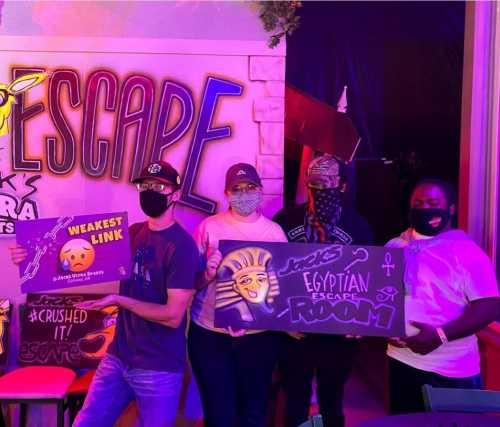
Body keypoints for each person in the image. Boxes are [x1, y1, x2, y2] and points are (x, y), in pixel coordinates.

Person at [10, 161, 199, 427]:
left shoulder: (182, 246)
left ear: (176, 194)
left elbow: (172, 316)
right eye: (145, 185)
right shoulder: (133, 233)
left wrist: (120, 300)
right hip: (118, 358)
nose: (150, 191)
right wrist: (30, 257)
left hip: (158, 366)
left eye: (158, 186)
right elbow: (78, 254)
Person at [273, 153, 373, 427]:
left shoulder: (358, 226)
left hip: (338, 334)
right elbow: (273, 272)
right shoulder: (286, 219)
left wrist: (360, 320)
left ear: (342, 186)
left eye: (329, 183)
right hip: (295, 331)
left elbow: (368, 280)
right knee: (295, 402)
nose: (322, 190)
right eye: (315, 183)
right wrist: (281, 320)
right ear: (306, 184)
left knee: (332, 401)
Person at [386, 179, 500, 414]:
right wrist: (379, 327)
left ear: (450, 209)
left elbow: (489, 305)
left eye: (432, 203)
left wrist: (440, 335)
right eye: (417, 203)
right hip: (400, 360)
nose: (425, 208)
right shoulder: (395, 245)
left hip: (450, 368)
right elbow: (381, 294)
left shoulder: (466, 252)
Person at [188, 162, 287, 427]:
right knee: (219, 414)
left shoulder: (274, 233)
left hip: (258, 338)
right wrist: (207, 275)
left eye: (250, 187)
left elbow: (280, 290)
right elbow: (189, 284)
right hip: (209, 334)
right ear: (227, 193)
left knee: (253, 412)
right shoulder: (209, 227)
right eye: (237, 188)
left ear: (260, 190)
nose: (244, 193)